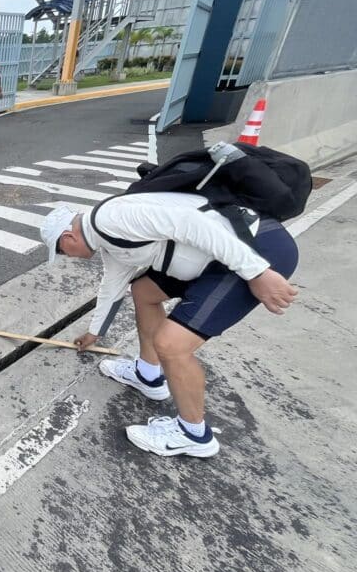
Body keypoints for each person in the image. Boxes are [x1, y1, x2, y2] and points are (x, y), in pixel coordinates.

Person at [40, 194, 299, 458]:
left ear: (68, 238)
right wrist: (95, 332)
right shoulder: (106, 239)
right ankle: (148, 375)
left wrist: (256, 271)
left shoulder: (110, 219)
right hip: (211, 260)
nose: (67, 257)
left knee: (171, 344)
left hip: (252, 249)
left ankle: (194, 434)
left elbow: (193, 223)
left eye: (61, 252)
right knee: (143, 290)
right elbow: (112, 286)